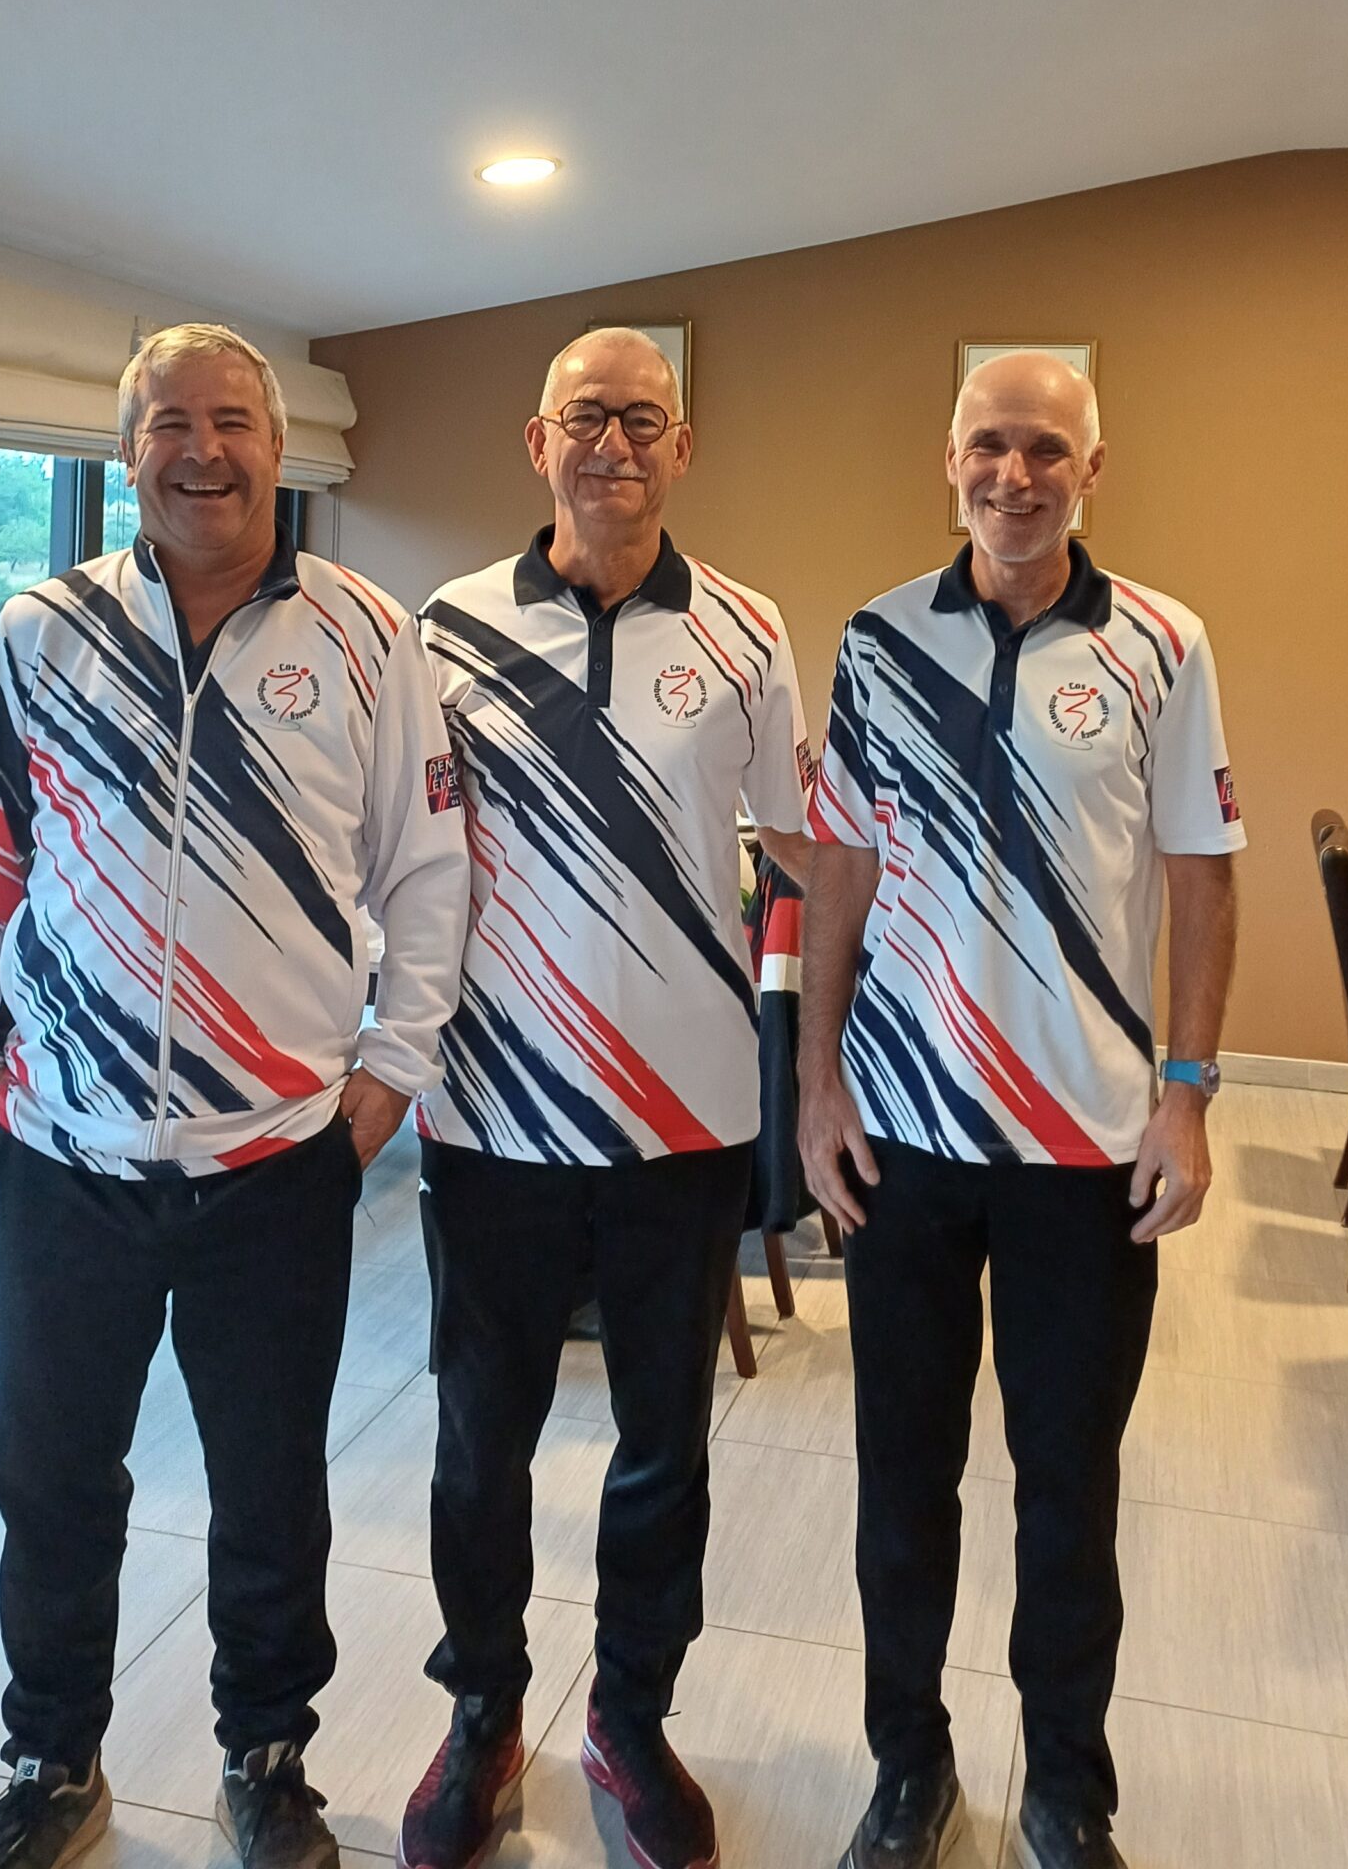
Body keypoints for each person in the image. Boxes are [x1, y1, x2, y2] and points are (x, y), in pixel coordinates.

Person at [0, 323, 470, 1869]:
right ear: (127, 447)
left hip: (276, 1160)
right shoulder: (39, 634)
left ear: (279, 448)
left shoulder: (368, 638)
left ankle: (267, 1760)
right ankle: (50, 1764)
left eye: (232, 421)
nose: (202, 450)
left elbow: (429, 877)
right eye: (170, 421)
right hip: (61, 1156)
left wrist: (390, 1075)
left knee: (270, 1485)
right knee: (50, 1481)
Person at [798, 351, 1243, 1869]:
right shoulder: (877, 639)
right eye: (989, 444)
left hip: (1086, 1151)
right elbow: (842, 864)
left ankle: (1068, 1788)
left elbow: (1202, 876)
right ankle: (906, 1766)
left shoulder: (1164, 643)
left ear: (1091, 470)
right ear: (950, 461)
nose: (1015, 474)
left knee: (1068, 1490)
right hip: (905, 1144)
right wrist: (818, 1083)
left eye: (1047, 448)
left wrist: (1187, 1096)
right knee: (902, 1483)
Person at [400, 327, 815, 1869]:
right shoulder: (443, 628)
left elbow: (800, 852)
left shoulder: (751, 630)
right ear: (538, 442)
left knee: (663, 1445)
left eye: (645, 418)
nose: (615, 443)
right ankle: (482, 1708)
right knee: (479, 1441)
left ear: (683, 447)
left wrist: (819, 1047)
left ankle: (630, 1714)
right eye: (587, 416)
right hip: (490, 1116)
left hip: (684, 1122)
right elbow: (399, 850)